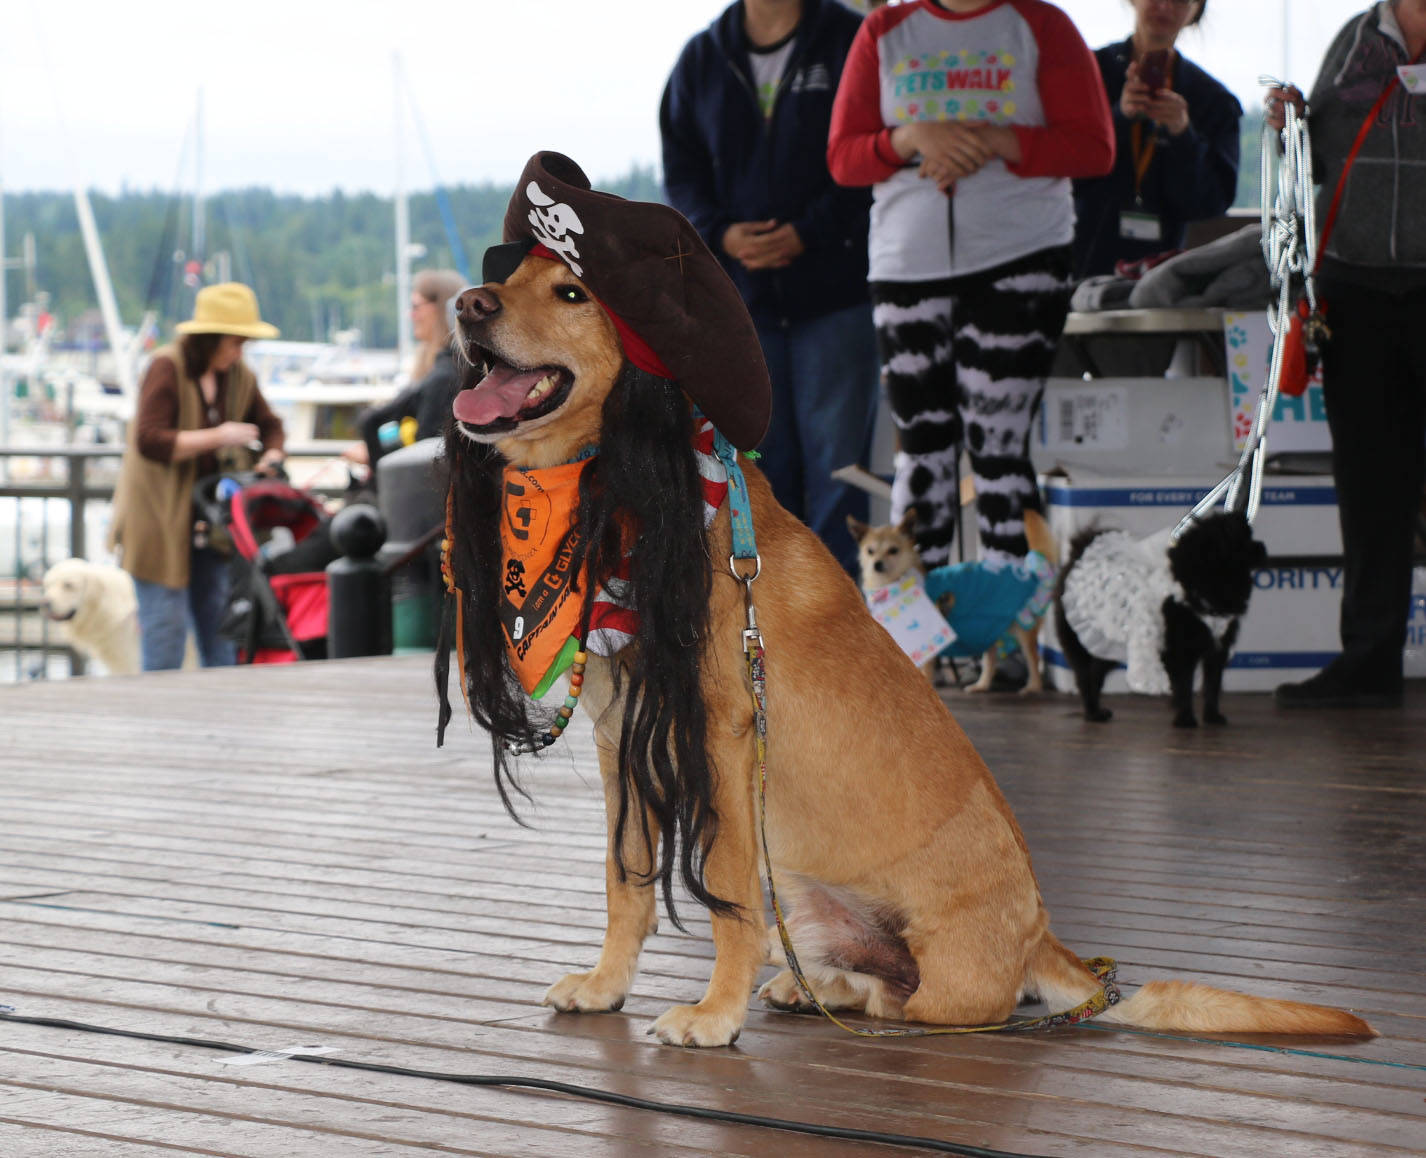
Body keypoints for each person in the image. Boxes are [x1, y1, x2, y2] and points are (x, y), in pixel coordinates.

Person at [827, 0, 1114, 567]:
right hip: (907, 265)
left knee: (999, 453)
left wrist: (997, 140)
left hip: (1021, 257)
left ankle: (1013, 645)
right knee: (921, 454)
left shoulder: (1043, 24)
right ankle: (917, 647)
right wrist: (910, 139)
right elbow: (843, 158)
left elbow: (1094, 147)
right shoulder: (884, 29)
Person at [660, 0, 879, 571]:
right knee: (756, 469)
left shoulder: (853, 40)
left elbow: (875, 156)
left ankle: (838, 627)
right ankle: (768, 621)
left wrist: (809, 232)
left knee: (840, 471)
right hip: (741, 306)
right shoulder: (701, 58)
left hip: (836, 296)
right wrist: (722, 235)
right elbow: (681, 176)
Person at [1271, 0, 1426, 710]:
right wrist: (1289, 124)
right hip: (1355, 288)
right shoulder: (1355, 40)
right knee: (1370, 486)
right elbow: (1319, 158)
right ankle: (1369, 662)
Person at [108, 282, 285, 671]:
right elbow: (148, 439)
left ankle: (219, 718)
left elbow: (271, 425)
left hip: (212, 527)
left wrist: (270, 457)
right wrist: (219, 437)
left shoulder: (238, 375)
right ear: (211, 338)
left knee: (221, 634)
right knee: (165, 634)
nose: (241, 349)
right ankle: (160, 719)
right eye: (236, 340)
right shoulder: (165, 367)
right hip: (158, 521)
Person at [1072, 0, 1241, 280]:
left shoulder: (1213, 101)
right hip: (1080, 261)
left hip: (1161, 276)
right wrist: (1118, 118)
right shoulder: (1088, 73)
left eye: (1179, 1)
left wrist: (1182, 133)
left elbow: (1210, 204)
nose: (1164, 7)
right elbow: (1061, 170)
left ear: (1196, 9)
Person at [346, 268, 466, 476]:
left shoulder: (443, 376)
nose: (411, 315)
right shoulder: (442, 367)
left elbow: (428, 449)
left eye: (415, 306)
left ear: (439, 309)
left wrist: (377, 457)